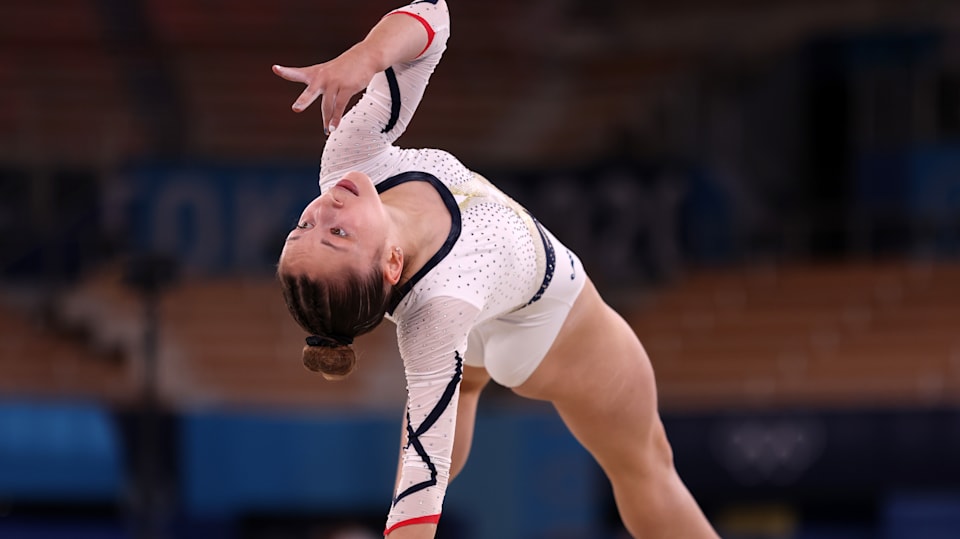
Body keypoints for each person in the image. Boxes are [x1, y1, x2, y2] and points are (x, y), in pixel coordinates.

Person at [273, 1, 720, 538]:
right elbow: (423, 480)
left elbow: (432, 22)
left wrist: (366, 56)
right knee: (646, 464)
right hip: (549, 335)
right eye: (338, 236)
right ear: (391, 264)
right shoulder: (437, 311)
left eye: (304, 226)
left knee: (453, 390)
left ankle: (467, 380)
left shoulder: (349, 164)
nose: (324, 211)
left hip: (475, 331)